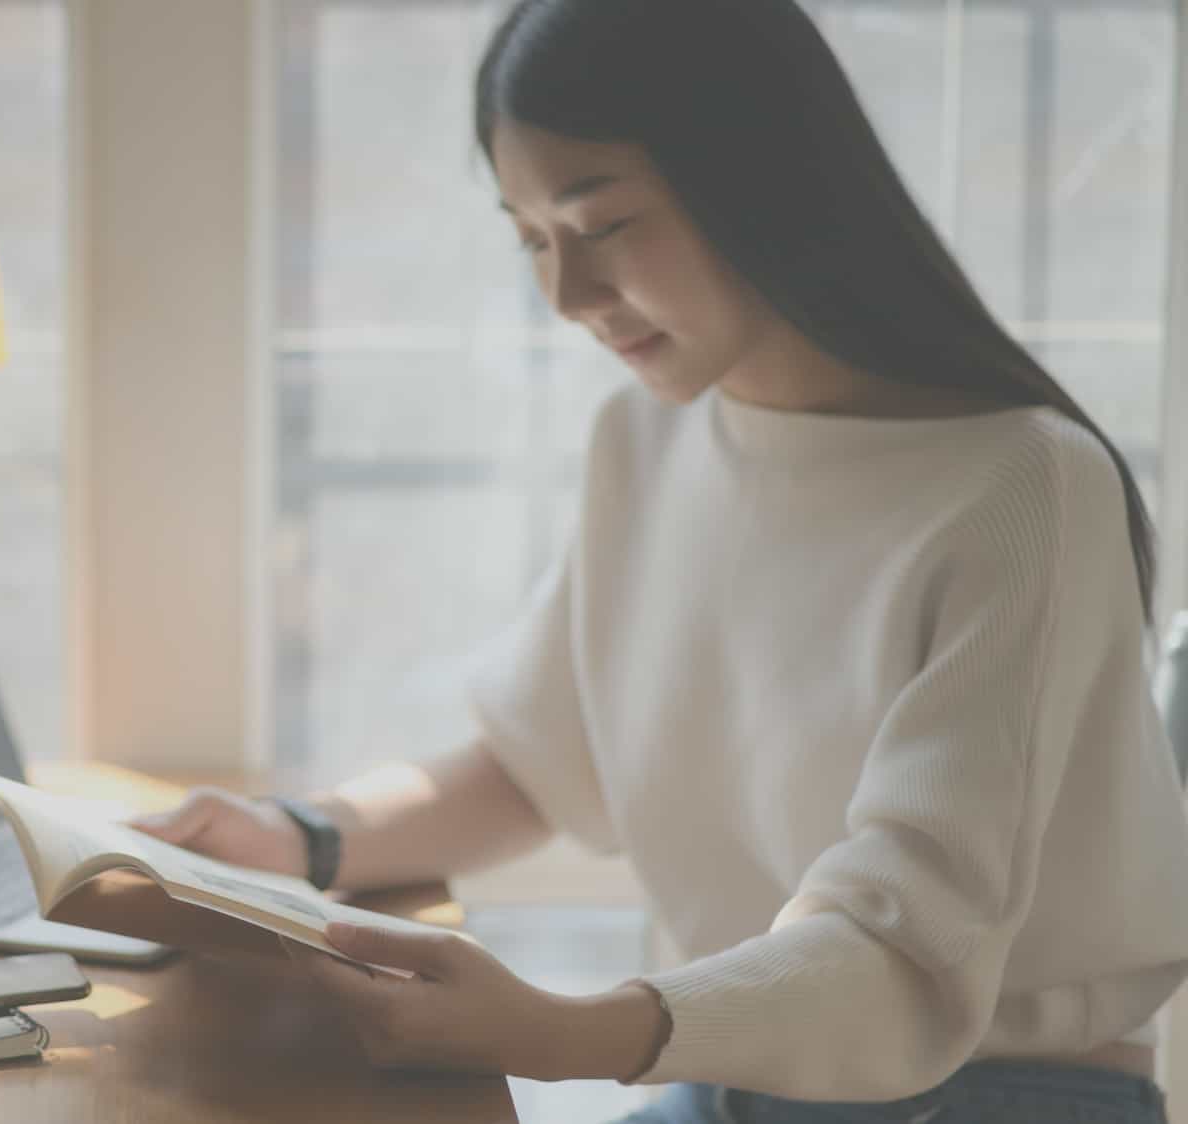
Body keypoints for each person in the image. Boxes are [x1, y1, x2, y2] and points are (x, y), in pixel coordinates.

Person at [128, 0, 1188, 1120]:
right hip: (733, 1075)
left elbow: (898, 950)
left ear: (762, 178)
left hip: (991, 1091)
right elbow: (539, 757)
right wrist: (302, 833)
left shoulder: (1020, 488)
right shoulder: (643, 440)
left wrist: (561, 1029)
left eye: (601, 225)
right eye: (530, 238)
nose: (566, 297)